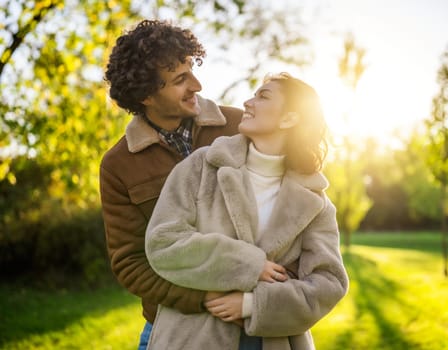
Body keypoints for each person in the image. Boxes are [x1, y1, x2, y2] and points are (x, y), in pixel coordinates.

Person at [145, 72, 349, 349]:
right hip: (194, 338)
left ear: (290, 118)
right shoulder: (201, 166)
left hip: (276, 341)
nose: (247, 102)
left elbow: (329, 283)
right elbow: (163, 242)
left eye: (263, 96)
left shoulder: (316, 201)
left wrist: (254, 304)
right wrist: (249, 266)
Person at [99, 19, 242, 349]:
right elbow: (130, 261)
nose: (197, 84)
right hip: (172, 325)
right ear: (147, 95)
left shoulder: (238, 126)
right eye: (180, 79)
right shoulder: (118, 165)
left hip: (250, 316)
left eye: (192, 68)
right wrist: (204, 298)